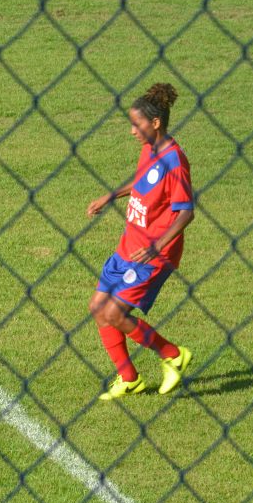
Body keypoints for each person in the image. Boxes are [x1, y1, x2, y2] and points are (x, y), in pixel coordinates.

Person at [87, 83, 195, 400]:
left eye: (137, 124)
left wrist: (156, 247)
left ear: (156, 122)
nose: (132, 130)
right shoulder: (149, 149)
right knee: (97, 307)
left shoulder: (175, 161)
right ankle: (129, 378)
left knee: (113, 313)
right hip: (128, 246)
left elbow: (186, 212)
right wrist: (112, 194)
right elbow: (142, 182)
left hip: (152, 256)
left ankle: (172, 354)